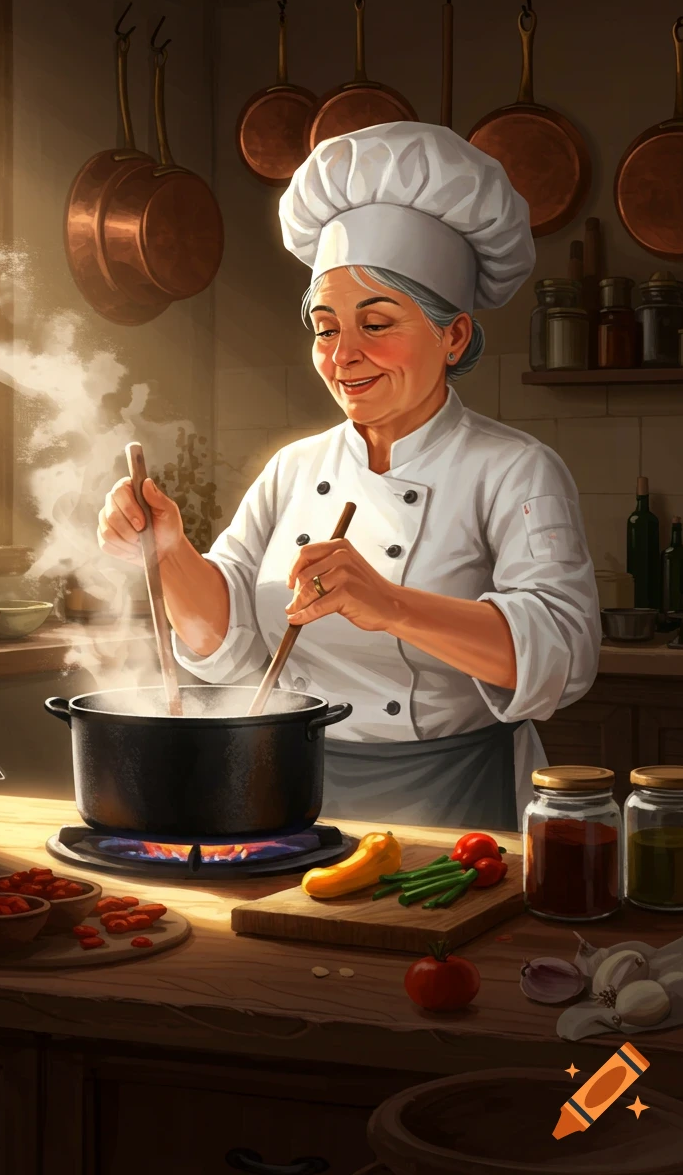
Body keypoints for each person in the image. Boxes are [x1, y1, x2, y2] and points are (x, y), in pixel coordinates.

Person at [98, 122, 601, 831]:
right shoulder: (294, 468)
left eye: (377, 323)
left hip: (457, 801)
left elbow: (561, 654)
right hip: (296, 792)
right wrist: (169, 549)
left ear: (452, 336)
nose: (343, 357)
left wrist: (390, 604)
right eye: (326, 328)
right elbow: (222, 639)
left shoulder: (514, 468)